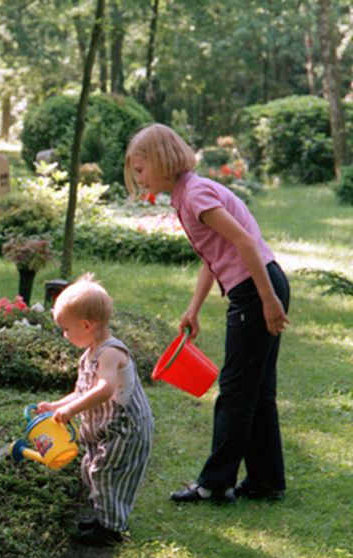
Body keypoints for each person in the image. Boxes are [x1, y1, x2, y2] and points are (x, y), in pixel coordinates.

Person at [124, 123, 290, 505]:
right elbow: (213, 255)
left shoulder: (195, 195)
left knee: (235, 390)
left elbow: (245, 241)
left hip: (256, 289)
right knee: (258, 390)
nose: (138, 177)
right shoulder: (188, 194)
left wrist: (267, 300)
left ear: (164, 162)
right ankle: (266, 481)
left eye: (140, 168)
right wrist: (193, 308)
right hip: (261, 285)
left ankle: (214, 483)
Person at [36, 274, 154, 546]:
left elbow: (104, 389)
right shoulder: (89, 354)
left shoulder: (111, 353)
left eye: (66, 329)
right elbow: (82, 391)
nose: (64, 334)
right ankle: (104, 518)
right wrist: (57, 406)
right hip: (107, 431)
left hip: (126, 430)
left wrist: (71, 411)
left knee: (106, 472)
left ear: (86, 325)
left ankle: (111, 529)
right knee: (91, 468)